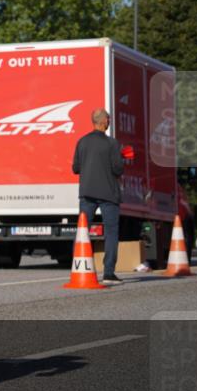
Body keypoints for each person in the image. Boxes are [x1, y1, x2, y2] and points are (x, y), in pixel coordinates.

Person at [72, 108, 124, 285]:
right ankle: (108, 273)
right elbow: (118, 169)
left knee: (82, 232)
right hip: (108, 194)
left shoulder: (82, 142)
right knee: (110, 233)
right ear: (103, 122)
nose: (109, 122)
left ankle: (79, 268)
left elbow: (75, 168)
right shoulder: (112, 143)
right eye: (108, 119)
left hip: (86, 193)